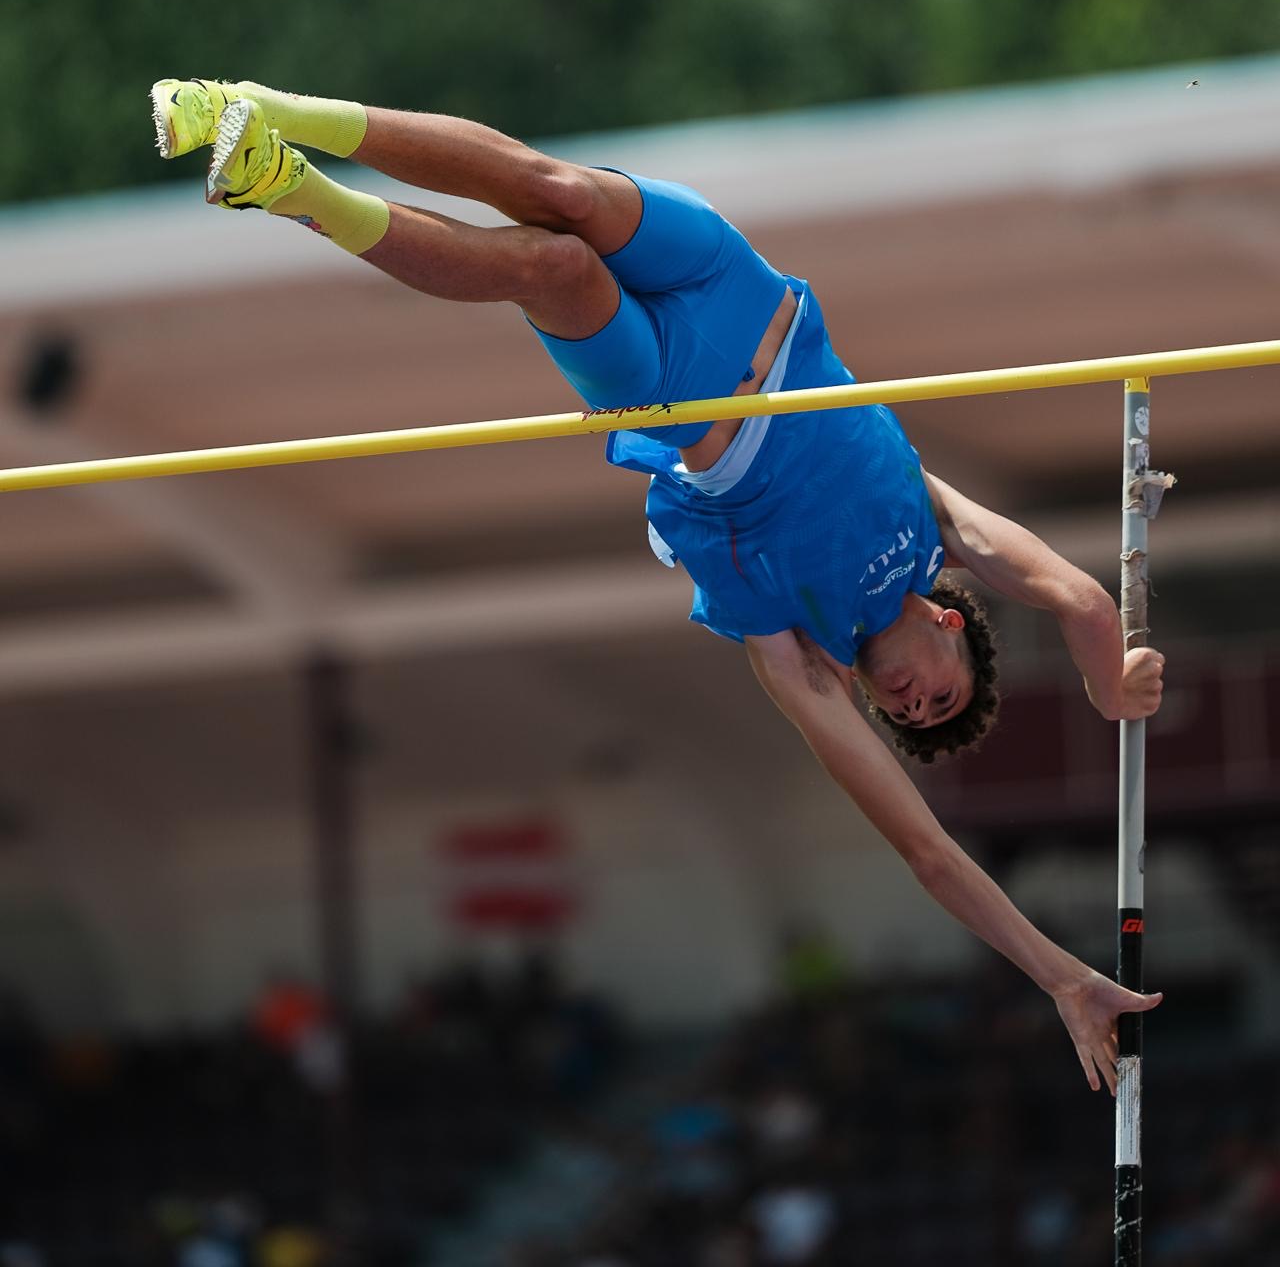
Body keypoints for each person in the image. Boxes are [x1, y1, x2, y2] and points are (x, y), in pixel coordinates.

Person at [149, 78, 1166, 1093]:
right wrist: (1105, 686)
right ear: (950, 621)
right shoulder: (936, 527)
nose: (908, 700)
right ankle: (252, 105)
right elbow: (1076, 600)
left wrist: (1058, 975)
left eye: (904, 712)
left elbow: (930, 855)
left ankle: (283, 185)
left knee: (550, 264)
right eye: (938, 691)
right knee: (557, 190)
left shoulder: (801, 660)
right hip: (739, 287)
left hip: (678, 398)